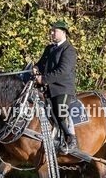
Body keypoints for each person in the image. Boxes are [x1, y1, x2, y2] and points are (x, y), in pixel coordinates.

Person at [34, 21, 79, 153]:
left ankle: (71, 138)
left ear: (63, 33)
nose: (52, 33)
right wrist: (35, 69)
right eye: (51, 31)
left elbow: (63, 71)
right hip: (46, 88)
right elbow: (40, 64)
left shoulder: (68, 50)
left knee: (60, 110)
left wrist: (43, 79)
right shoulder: (49, 49)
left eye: (54, 31)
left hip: (62, 89)